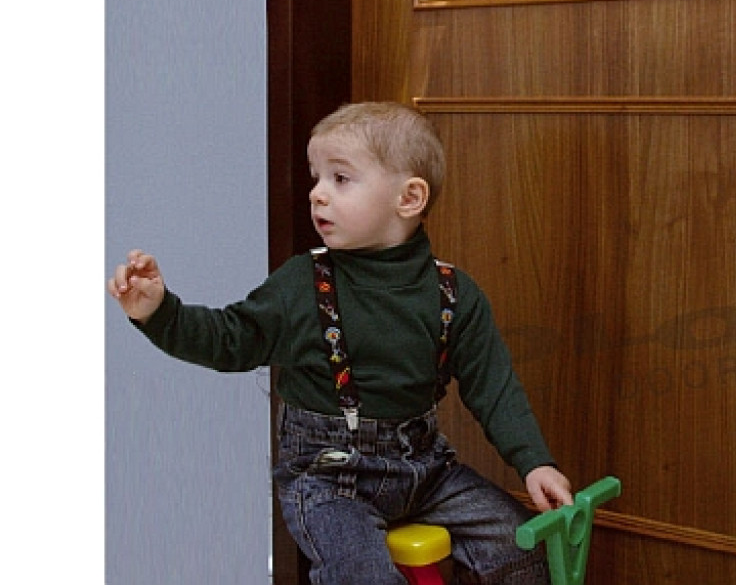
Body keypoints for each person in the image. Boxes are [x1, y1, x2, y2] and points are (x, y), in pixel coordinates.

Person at [107, 101, 573, 585]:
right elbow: (231, 340)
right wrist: (159, 313)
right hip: (330, 481)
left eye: (340, 178)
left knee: (519, 541)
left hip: (427, 471)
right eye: (317, 178)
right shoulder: (302, 285)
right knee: (361, 573)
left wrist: (534, 462)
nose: (317, 194)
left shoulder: (454, 294)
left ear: (409, 198)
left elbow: (494, 387)